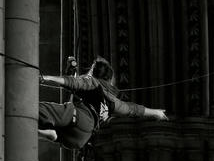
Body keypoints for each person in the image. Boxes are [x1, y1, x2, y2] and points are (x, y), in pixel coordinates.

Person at [38, 57, 168, 152]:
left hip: (79, 116)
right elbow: (133, 109)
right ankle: (51, 135)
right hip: (81, 138)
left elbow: (74, 83)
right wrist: (156, 112)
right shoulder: (114, 102)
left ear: (95, 72)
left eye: (91, 69)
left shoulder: (93, 82)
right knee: (55, 131)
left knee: (37, 109)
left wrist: (47, 78)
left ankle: (50, 133)